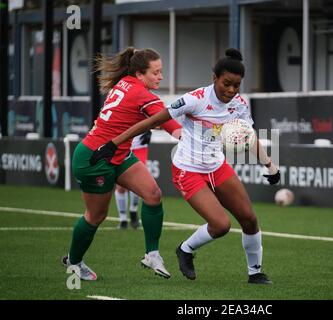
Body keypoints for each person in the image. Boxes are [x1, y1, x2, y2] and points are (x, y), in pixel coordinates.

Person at [90, 48, 281, 285]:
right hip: (187, 169)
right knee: (221, 225)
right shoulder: (195, 99)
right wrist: (114, 143)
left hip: (217, 166)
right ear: (214, 78)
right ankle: (186, 249)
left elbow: (249, 135)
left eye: (237, 85)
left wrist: (269, 165)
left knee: (250, 219)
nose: (231, 90)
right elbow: (154, 120)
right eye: (226, 83)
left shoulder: (239, 104)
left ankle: (255, 273)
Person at [62, 47, 182, 281]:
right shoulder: (142, 95)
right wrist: (184, 134)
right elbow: (165, 120)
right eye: (156, 72)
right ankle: (74, 262)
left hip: (117, 153)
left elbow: (150, 117)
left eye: (161, 71)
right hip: (94, 158)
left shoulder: (127, 81)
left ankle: (152, 254)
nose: (160, 77)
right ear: (139, 74)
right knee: (95, 216)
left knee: (153, 195)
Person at [115, 131, 151, 229]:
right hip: (123, 147)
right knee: (120, 185)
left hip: (140, 147)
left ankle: (133, 211)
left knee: (137, 182)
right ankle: (123, 219)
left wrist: (149, 129)